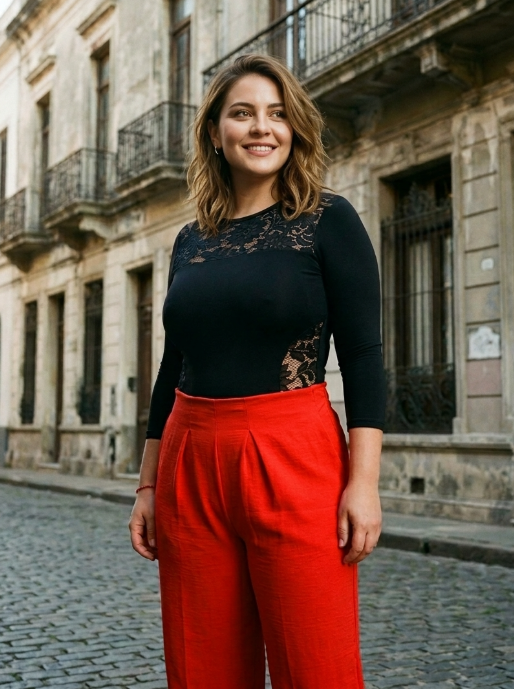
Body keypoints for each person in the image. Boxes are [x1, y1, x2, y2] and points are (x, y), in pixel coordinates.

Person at [128, 53, 386, 689]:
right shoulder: (191, 240)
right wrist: (147, 486)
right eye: (242, 113)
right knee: (201, 665)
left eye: (276, 114)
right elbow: (173, 364)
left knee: (316, 665)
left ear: (294, 129)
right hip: (189, 459)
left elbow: (363, 354)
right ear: (216, 132)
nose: (261, 127)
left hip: (294, 454)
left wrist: (364, 483)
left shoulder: (328, 220)